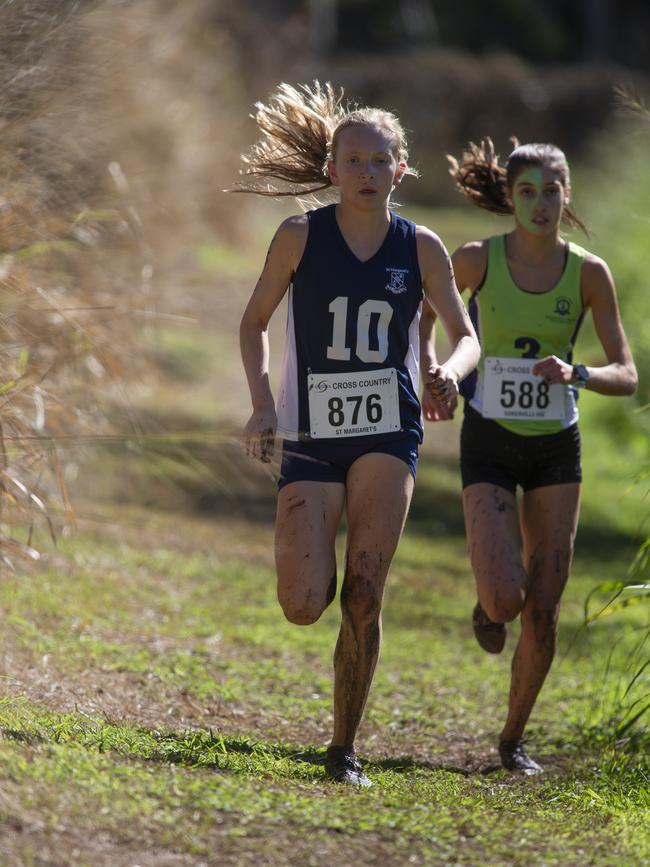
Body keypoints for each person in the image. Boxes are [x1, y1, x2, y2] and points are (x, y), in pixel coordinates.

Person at [237, 82, 479, 786]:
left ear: (401, 169)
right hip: (312, 434)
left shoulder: (421, 246)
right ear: (332, 170)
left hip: (389, 429)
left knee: (367, 593)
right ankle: (317, 553)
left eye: (382, 161)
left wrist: (452, 375)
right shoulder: (299, 236)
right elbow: (253, 321)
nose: (368, 173)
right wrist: (260, 404)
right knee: (304, 602)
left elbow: (465, 336)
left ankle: (343, 748)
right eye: (355, 160)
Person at [420, 139, 638, 774]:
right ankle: (488, 605)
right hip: (489, 439)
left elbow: (625, 373)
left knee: (544, 608)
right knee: (508, 601)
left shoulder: (589, 273)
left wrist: (576, 372)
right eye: (527, 192)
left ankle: (513, 739)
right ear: (509, 198)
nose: (541, 204)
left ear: (566, 196)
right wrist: (438, 373)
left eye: (552, 192)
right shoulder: (475, 261)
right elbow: (423, 315)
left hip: (555, 451)